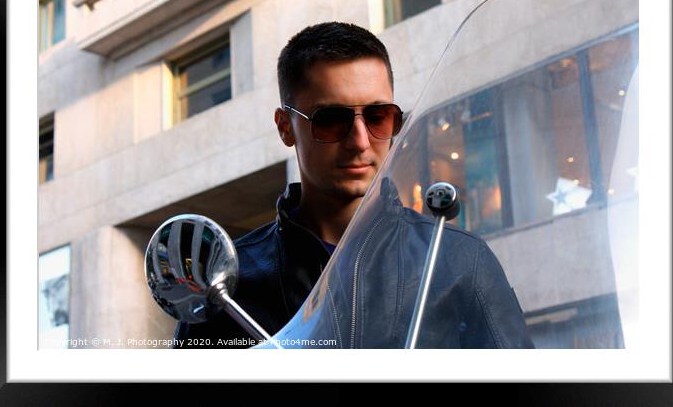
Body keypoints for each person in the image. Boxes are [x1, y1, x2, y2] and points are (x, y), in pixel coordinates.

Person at [173, 21, 533, 348]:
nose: (361, 141)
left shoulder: (458, 260)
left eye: (379, 116)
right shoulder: (228, 286)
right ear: (286, 127)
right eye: (332, 120)